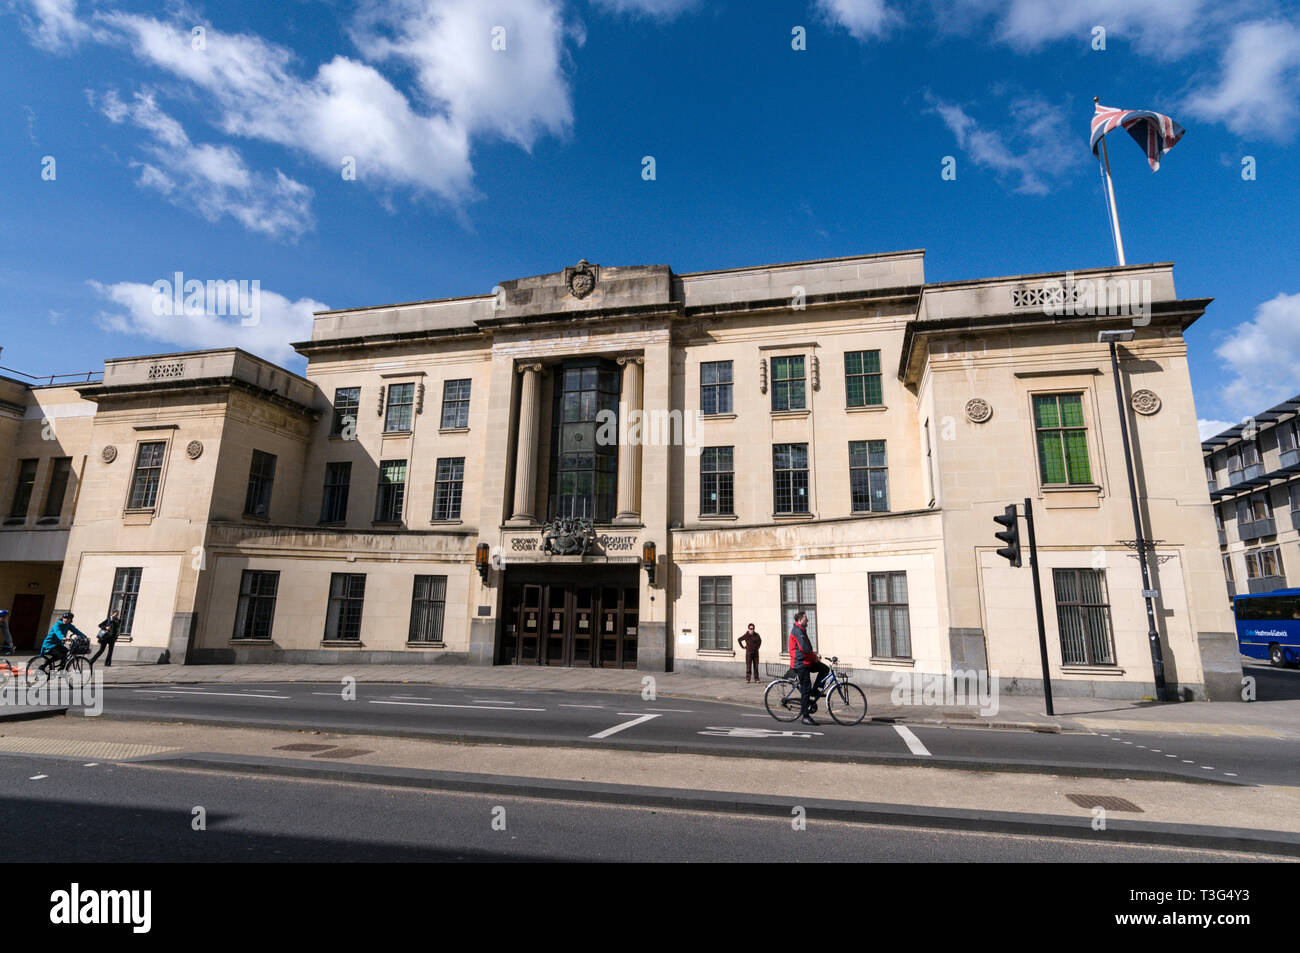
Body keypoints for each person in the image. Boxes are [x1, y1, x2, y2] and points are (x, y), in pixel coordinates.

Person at [787, 609, 828, 726]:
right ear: (800, 620)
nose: (808, 620)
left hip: (806, 661)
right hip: (800, 663)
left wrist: (813, 658)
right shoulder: (797, 631)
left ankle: (815, 690)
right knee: (805, 689)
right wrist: (814, 657)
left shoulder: (801, 630)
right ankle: (805, 716)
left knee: (825, 669)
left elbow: (807, 649)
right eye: (806, 619)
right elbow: (804, 649)